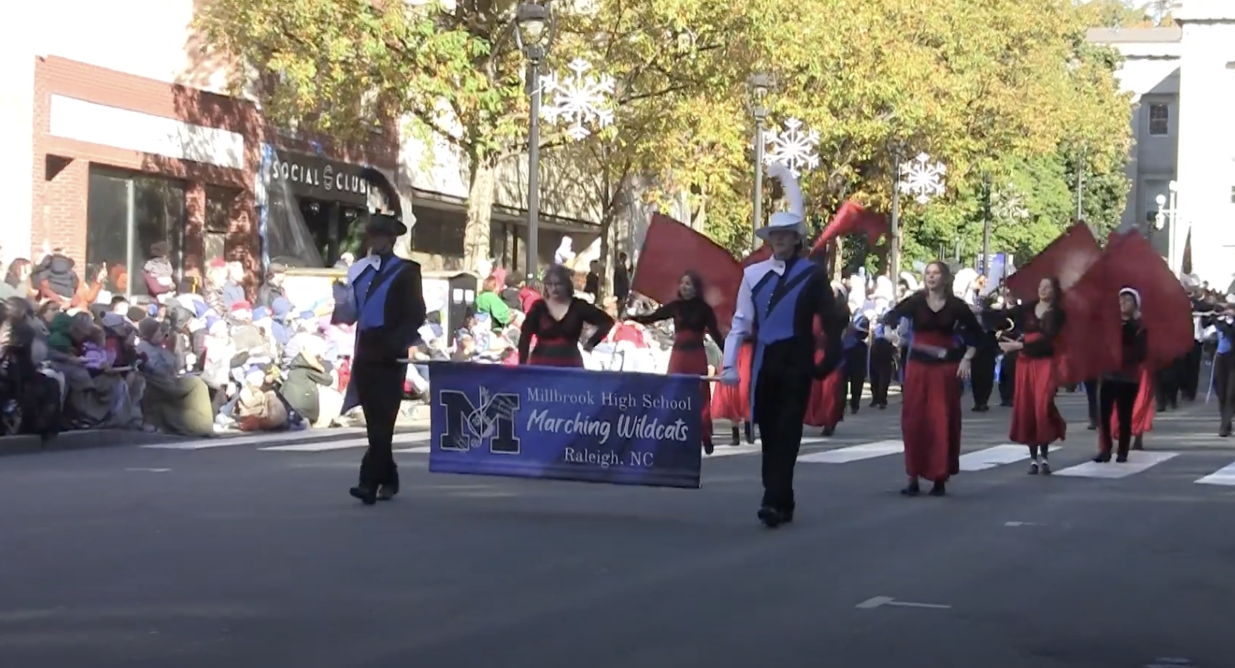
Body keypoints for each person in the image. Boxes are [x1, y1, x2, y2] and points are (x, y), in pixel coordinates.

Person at [720, 161, 844, 528]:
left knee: (789, 429)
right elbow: (741, 321)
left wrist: (830, 351)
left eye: (785, 235)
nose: (778, 240)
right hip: (766, 360)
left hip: (798, 357)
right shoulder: (753, 274)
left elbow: (830, 319)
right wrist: (728, 365)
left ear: (796, 240)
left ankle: (772, 499)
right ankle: (781, 497)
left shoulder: (811, 274)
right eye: (773, 235)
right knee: (770, 430)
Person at [332, 213, 426, 505]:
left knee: (384, 419)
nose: (375, 241)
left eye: (380, 237)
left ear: (391, 240)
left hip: (390, 351)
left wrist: (397, 342)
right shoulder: (360, 272)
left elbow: (415, 313)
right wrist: (341, 298)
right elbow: (349, 315)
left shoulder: (407, 271)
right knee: (375, 421)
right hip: (366, 349)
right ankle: (389, 478)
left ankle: (367, 483)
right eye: (371, 236)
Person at [881, 261, 981, 497]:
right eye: (928, 273)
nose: (931, 277)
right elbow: (891, 316)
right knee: (915, 420)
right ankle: (913, 477)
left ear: (945, 278)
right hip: (918, 368)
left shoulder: (957, 306)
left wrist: (967, 358)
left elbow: (977, 336)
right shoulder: (916, 301)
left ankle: (939, 477)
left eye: (936, 273)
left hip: (945, 370)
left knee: (941, 421)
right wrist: (888, 332)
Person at [630, 271, 723, 453]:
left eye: (688, 284)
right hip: (679, 356)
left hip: (696, 355)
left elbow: (716, 335)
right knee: (674, 393)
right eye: (682, 283)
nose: (684, 287)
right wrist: (631, 319)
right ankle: (672, 432)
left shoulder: (705, 309)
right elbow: (652, 317)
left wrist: (729, 354)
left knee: (699, 393)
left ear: (696, 288)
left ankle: (704, 434)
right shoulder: (675, 307)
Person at [992, 277, 1067, 474]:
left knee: (1042, 407)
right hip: (1025, 363)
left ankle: (1045, 455)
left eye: (1047, 287)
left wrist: (1018, 345)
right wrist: (989, 302)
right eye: (1040, 286)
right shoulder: (1027, 308)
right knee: (1027, 408)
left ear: (1054, 290)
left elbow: (1048, 341)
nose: (1043, 290)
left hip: (1045, 363)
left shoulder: (1058, 313)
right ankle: (1034, 458)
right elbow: (1002, 318)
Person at [518, 264, 614, 367]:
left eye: (558, 284)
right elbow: (525, 336)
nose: (554, 288)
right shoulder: (539, 307)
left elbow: (607, 322)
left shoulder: (578, 306)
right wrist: (522, 365)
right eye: (550, 284)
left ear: (566, 284)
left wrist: (591, 343)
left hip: (570, 364)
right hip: (542, 363)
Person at [1094, 288, 1148, 463]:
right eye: (1121, 300)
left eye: (1128, 300)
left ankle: (1123, 450)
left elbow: (1140, 353)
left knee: (1125, 415)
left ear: (1135, 304)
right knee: (1104, 415)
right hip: (1108, 375)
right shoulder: (1109, 325)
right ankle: (1105, 449)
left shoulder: (1139, 327)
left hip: (1128, 377)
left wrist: (1121, 354)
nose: (1123, 303)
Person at [1203, 298, 1233, 437]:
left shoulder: (1228, 323)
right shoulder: (1220, 320)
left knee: (1231, 393)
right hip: (1221, 358)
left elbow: (1228, 331)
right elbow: (1204, 324)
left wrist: (1228, 319)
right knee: (1221, 392)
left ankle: (1225, 426)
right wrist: (1212, 315)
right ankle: (1225, 419)